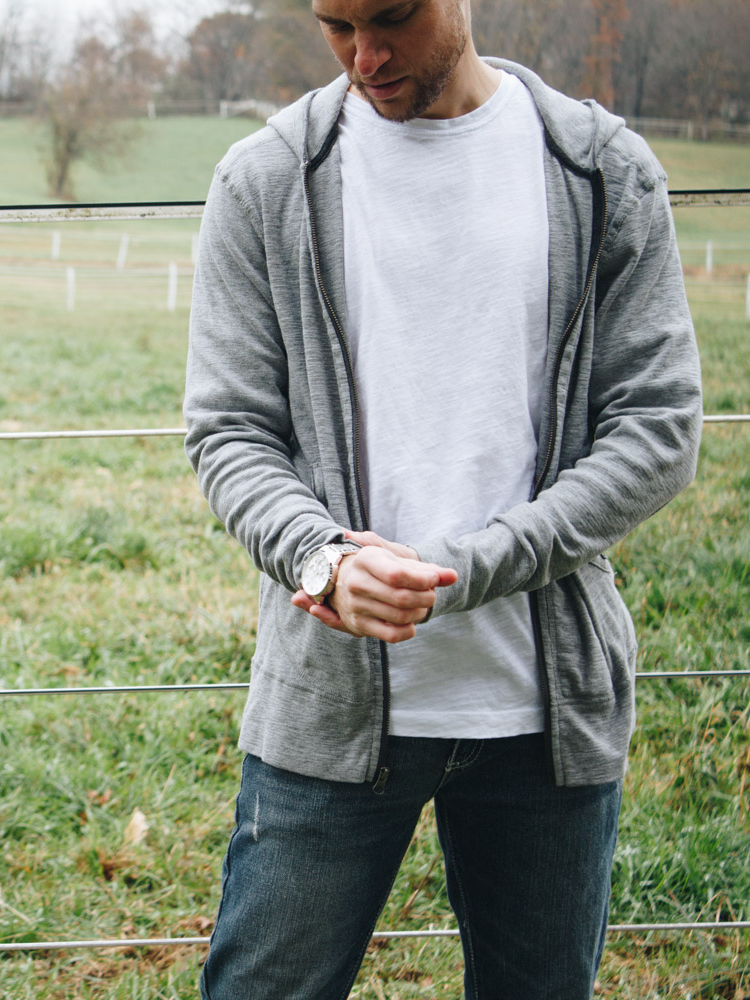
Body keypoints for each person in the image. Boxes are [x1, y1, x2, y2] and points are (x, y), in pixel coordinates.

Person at [182, 0, 703, 997]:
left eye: (391, 19)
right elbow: (230, 430)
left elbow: (660, 428)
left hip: (547, 717)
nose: (364, 57)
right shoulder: (264, 181)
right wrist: (322, 559)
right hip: (327, 705)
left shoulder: (603, 170)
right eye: (336, 25)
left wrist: (467, 570)